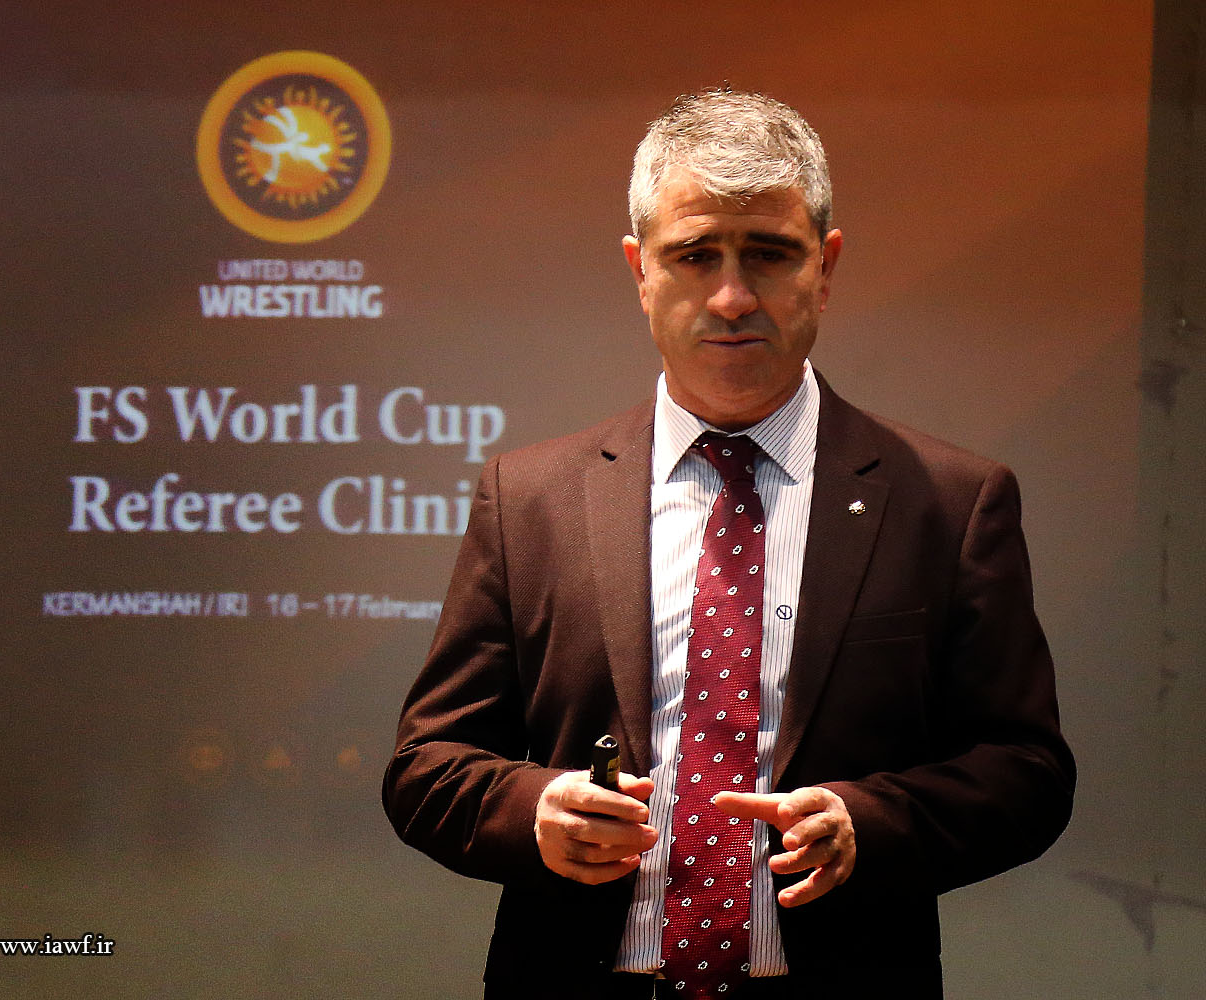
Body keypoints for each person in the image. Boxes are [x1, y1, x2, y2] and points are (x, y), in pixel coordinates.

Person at [382, 89, 1074, 1000]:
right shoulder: (530, 498)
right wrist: (534, 811)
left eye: (770, 254)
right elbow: (427, 766)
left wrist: (872, 823)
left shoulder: (948, 502)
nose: (733, 296)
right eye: (695, 254)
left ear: (825, 267)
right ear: (640, 270)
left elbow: (1027, 773)